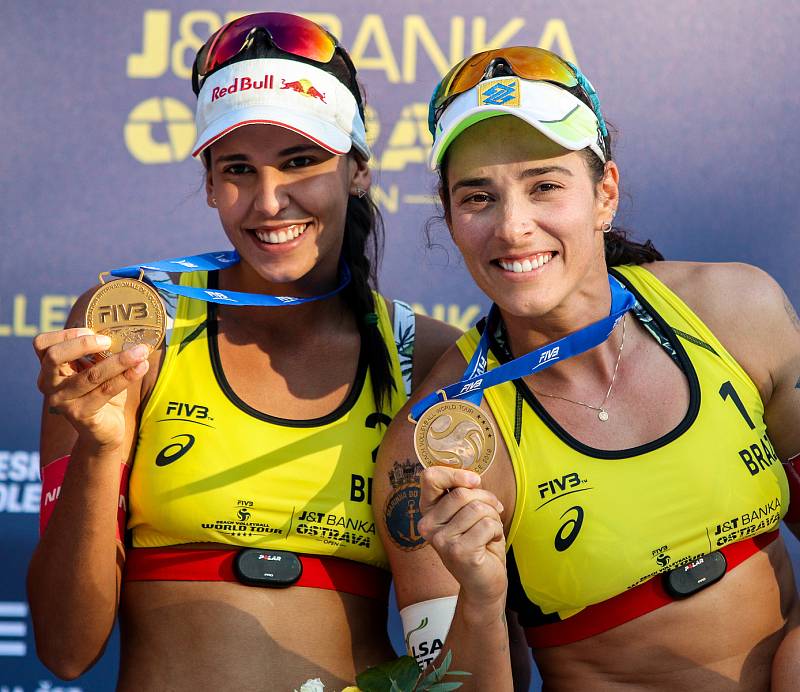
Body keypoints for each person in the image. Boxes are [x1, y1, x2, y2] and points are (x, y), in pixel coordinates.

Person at [27, 13, 459, 689]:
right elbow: (64, 648)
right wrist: (101, 449)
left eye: (299, 162)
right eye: (237, 169)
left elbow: (461, 659)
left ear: (358, 172)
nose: (268, 201)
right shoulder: (135, 326)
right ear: (207, 182)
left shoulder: (427, 356)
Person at [375, 46, 800, 690]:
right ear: (451, 220)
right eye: (478, 198)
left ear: (606, 195)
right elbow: (450, 687)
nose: (514, 228)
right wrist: (483, 600)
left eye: (545, 186)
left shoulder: (735, 309)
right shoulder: (439, 441)